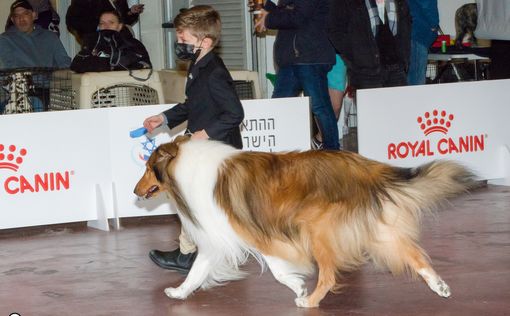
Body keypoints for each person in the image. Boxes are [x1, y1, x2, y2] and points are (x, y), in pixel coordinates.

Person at [142, 5, 244, 273]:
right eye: (179, 38)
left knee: (192, 198)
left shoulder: (215, 72)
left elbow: (234, 112)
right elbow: (192, 105)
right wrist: (164, 118)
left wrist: (205, 133)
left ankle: (190, 255)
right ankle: (192, 253)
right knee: (195, 200)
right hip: (206, 147)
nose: (179, 44)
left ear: (205, 41)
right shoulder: (198, 66)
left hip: (218, 150)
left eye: (184, 39)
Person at [254, 0, 340, 150]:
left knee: (320, 107)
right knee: (279, 106)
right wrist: (266, 5)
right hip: (292, 58)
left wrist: (267, 19)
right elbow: (288, 14)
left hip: (310, 57)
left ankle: (334, 152)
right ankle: (279, 150)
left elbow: (298, 16)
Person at [329, 0, 412, 89]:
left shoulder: (399, 2)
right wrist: (356, 55)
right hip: (365, 72)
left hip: (397, 68)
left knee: (398, 102)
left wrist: (403, 57)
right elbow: (335, 31)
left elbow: (406, 24)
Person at [70, 10, 151, 73]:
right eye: (102, 23)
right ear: (99, 27)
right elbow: (76, 65)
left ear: (120, 26)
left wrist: (104, 63)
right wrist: (112, 64)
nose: (106, 26)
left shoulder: (133, 44)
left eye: (111, 22)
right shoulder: (93, 43)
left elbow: (144, 65)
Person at [0, 0, 71, 70]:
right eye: (17, 16)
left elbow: (64, 63)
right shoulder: (5, 40)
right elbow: (8, 69)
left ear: (34, 15)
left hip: (51, 80)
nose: (21, 19)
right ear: (12, 20)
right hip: (21, 80)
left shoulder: (50, 37)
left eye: (26, 13)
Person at [66, 0, 144, 45]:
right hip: (95, 41)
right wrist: (99, 27)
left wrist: (131, 12)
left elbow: (123, 20)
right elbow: (72, 20)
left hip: (118, 42)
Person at [407, 0, 439, 85]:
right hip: (418, 33)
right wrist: (434, 24)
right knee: (417, 82)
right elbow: (427, 4)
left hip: (410, 32)